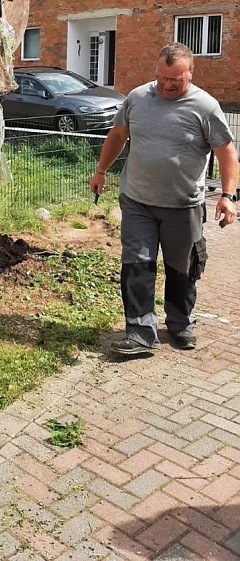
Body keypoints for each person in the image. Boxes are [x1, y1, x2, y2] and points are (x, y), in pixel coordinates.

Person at [89, 42, 238, 357]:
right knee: (137, 266)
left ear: (190, 74)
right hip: (138, 200)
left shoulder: (205, 106)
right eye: (163, 77)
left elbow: (226, 152)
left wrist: (227, 195)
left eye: (176, 79)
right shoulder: (138, 98)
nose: (168, 84)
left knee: (182, 269)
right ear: (156, 71)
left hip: (183, 205)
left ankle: (180, 323)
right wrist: (101, 170)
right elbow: (118, 135)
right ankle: (140, 333)